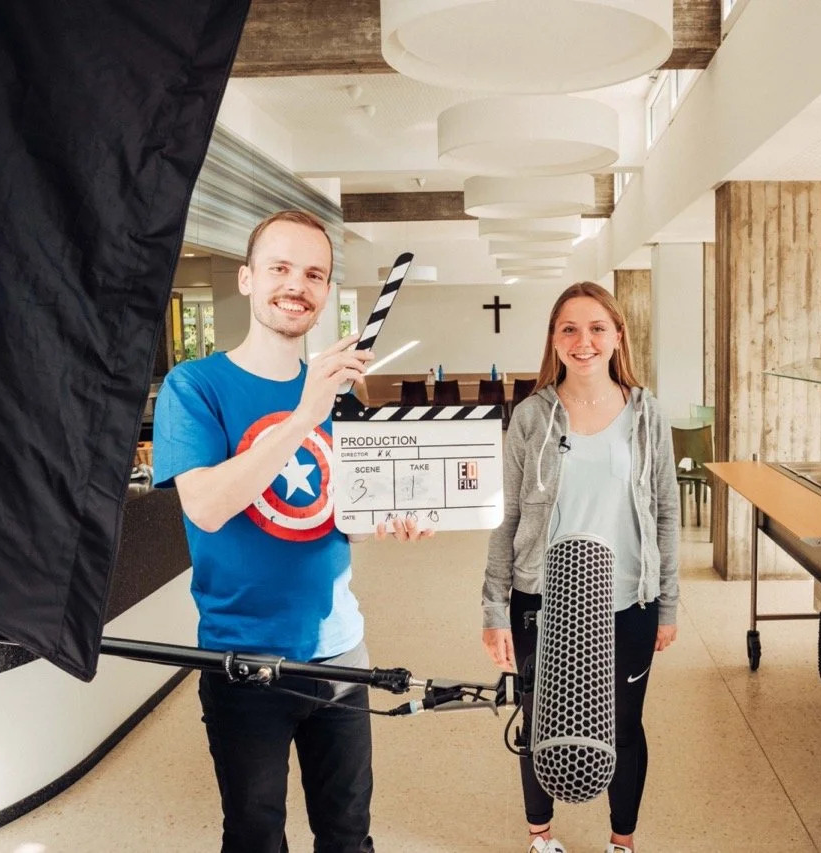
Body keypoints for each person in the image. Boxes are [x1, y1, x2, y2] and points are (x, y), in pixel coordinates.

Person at [152, 209, 431, 853]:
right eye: (279, 267)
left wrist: (388, 519)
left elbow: (345, 523)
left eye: (313, 274)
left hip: (342, 652)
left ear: (326, 291)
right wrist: (305, 413)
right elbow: (207, 507)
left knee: (348, 833)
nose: (296, 285)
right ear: (247, 278)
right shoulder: (194, 386)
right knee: (255, 836)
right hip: (243, 660)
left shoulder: (341, 398)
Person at [481, 282, 681, 853]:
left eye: (597, 328)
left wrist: (668, 602)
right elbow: (507, 516)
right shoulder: (530, 417)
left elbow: (666, 511)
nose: (583, 340)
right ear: (554, 339)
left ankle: (622, 840)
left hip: (627, 602)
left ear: (617, 336)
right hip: (544, 602)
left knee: (624, 725)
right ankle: (540, 836)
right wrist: (494, 609)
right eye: (569, 328)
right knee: (540, 723)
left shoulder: (647, 415)